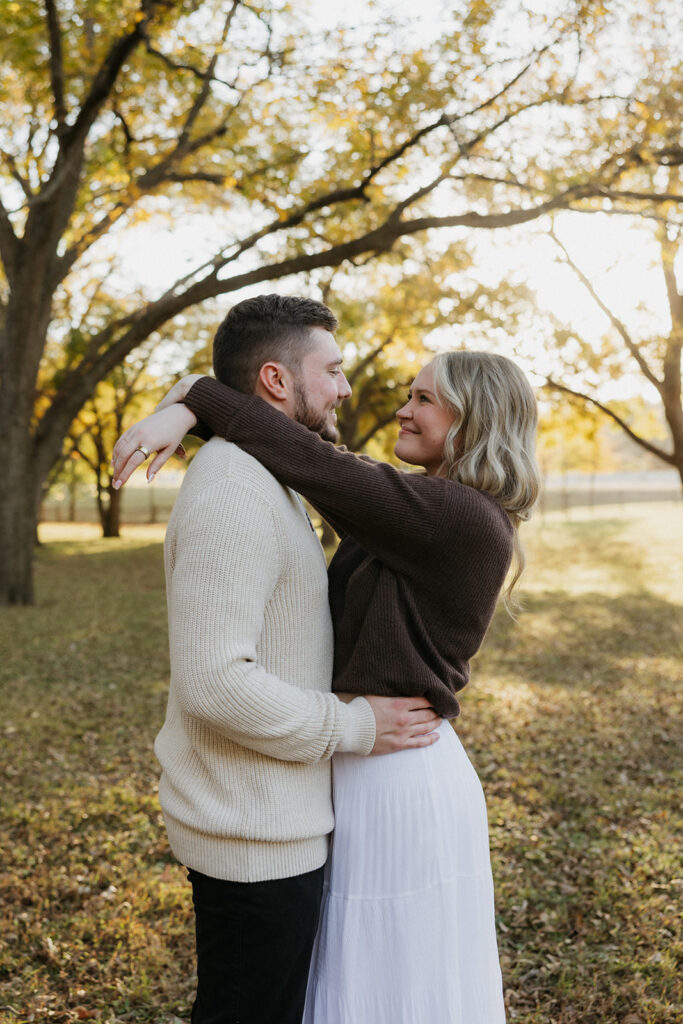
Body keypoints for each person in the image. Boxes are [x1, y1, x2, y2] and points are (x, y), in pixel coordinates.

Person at [113, 335, 540, 1023]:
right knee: (344, 973)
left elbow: (311, 458)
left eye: (423, 399)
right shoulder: (415, 509)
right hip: (353, 756)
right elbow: (305, 460)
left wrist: (193, 396)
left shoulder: (459, 520)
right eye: (409, 394)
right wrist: (198, 410)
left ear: (475, 419)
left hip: (396, 770)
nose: (403, 410)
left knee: (387, 979)